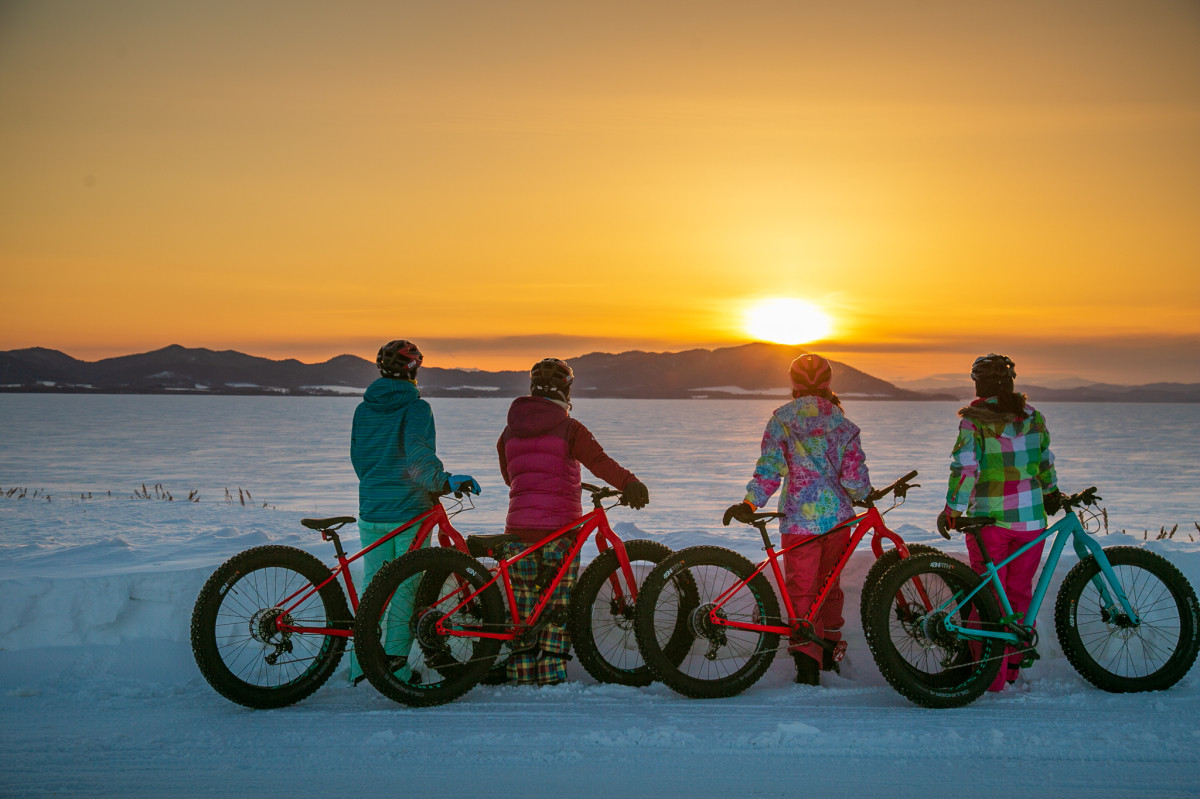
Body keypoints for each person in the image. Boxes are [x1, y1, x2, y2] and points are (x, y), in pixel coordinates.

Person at [496, 357, 649, 686]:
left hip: (518, 529)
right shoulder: (570, 428)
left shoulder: (509, 431)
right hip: (561, 529)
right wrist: (630, 483)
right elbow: (598, 461)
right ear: (566, 390)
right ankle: (550, 675)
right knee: (556, 605)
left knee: (521, 604)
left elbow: (510, 477)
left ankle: (520, 674)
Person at [724, 353, 872, 686]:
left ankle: (808, 666)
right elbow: (855, 480)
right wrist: (865, 493)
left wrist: (750, 503)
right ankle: (832, 653)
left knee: (802, 592)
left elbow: (769, 469)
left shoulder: (782, 419)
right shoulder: (844, 424)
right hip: (838, 522)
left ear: (793, 383)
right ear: (829, 383)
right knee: (829, 588)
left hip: (798, 523)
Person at [349, 339, 480, 684]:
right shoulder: (417, 408)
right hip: (409, 512)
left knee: (373, 590)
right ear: (414, 370)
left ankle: (360, 667)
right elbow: (417, 456)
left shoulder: (363, 410)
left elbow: (360, 461)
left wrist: (379, 485)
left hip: (372, 509)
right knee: (406, 589)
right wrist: (444, 481)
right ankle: (395, 667)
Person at [938, 353, 1060, 692]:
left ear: (978, 384)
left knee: (989, 596)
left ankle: (988, 675)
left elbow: (965, 468)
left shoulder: (974, 420)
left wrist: (952, 509)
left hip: (989, 520)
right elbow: (1044, 463)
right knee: (1020, 593)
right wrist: (1051, 492)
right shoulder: (1033, 417)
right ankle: (1012, 668)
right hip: (1031, 519)